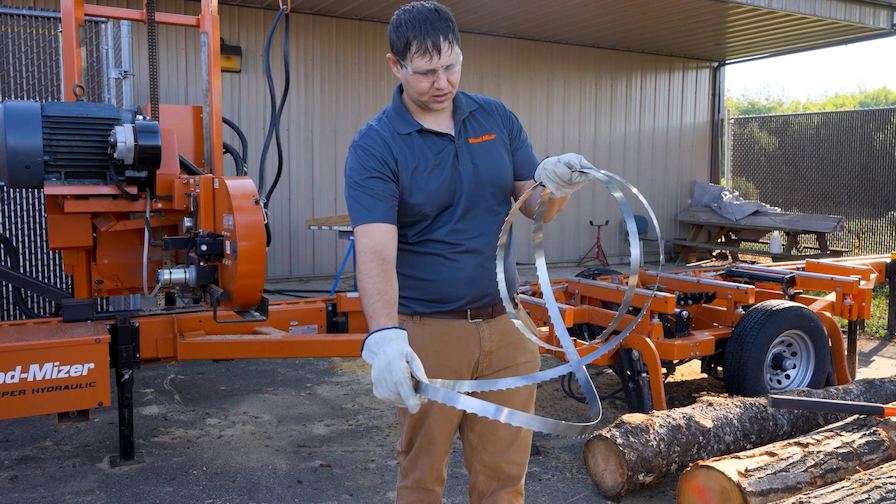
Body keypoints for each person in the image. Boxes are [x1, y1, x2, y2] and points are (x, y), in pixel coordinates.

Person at [343, 2, 596, 502]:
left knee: (504, 479)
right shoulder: (377, 144)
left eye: (451, 65)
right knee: (422, 477)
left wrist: (560, 185)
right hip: (429, 335)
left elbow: (537, 207)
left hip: (507, 328)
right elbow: (374, 248)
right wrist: (386, 337)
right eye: (426, 71)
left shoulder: (495, 118)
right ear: (396, 66)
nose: (442, 82)